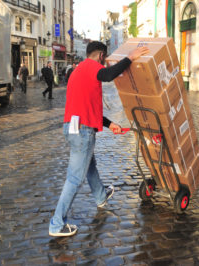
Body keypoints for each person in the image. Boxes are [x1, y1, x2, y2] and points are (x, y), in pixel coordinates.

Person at [48, 41, 149, 237]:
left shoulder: (78, 71)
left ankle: (101, 196)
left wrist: (110, 124)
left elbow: (86, 105)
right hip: (83, 131)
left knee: (89, 164)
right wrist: (131, 57)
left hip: (72, 127)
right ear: (101, 56)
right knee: (74, 178)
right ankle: (57, 224)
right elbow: (109, 75)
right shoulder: (93, 67)